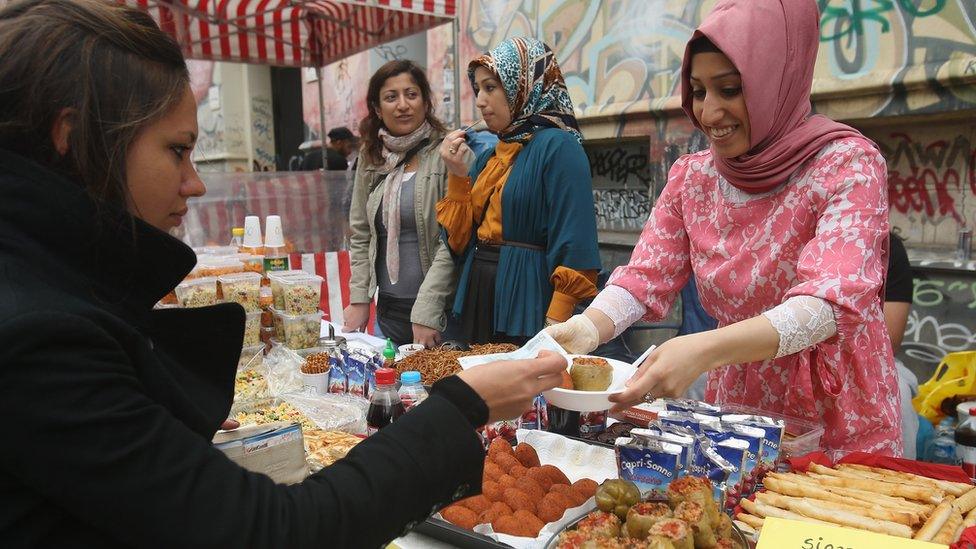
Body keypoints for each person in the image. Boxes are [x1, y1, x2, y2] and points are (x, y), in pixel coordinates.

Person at [0, 2, 567, 547]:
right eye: (177, 150)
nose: (195, 183)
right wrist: (460, 406)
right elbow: (275, 531)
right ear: (71, 138)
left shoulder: (42, 290)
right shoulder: (41, 338)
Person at [547, 0, 901, 456]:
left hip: (837, 403)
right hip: (741, 402)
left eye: (730, 90)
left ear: (779, 79)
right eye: (697, 92)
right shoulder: (693, 178)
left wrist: (702, 350)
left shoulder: (848, 164)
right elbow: (644, 277)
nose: (709, 114)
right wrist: (589, 328)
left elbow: (828, 304)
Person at [437, 36, 602, 345]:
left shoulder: (559, 146)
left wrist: (556, 322)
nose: (480, 101)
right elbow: (458, 243)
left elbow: (576, 241)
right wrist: (458, 176)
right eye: (477, 90)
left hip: (526, 294)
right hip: (480, 290)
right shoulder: (489, 156)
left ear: (523, 85)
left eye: (490, 87)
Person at [342, 60, 467, 347]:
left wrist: (427, 310)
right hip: (387, 315)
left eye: (411, 94)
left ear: (425, 101)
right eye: (391, 97)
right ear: (376, 108)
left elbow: (452, 242)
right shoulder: (371, 157)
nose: (402, 105)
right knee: (383, 391)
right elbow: (361, 233)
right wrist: (360, 298)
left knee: (434, 391)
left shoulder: (448, 153)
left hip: (438, 317)